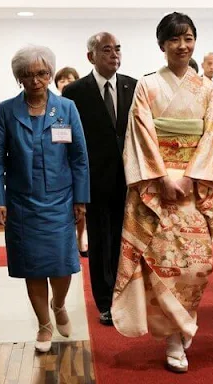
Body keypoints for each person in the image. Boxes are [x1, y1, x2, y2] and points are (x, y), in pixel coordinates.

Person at [111, 12, 213, 373]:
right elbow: (139, 134)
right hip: (156, 189)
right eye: (174, 40)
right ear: (162, 45)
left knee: (198, 265)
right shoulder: (147, 85)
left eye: (188, 38)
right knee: (162, 264)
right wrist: (162, 177)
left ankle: (182, 326)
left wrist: (189, 176)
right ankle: (175, 340)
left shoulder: (206, 88)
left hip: (194, 188)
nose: (182, 46)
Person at [0, 45, 90, 352]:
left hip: (60, 200)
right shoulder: (7, 110)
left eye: (42, 73)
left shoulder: (67, 108)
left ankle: (59, 305)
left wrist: (80, 199)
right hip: (22, 202)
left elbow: (79, 156)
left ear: (50, 74)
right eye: (28, 75)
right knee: (32, 265)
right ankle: (44, 325)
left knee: (60, 265)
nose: (36, 81)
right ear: (19, 77)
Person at [62, 32, 136, 326]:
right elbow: (66, 140)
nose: (114, 55)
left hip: (129, 178)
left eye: (117, 49)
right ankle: (104, 301)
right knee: (101, 243)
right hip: (93, 180)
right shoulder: (75, 92)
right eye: (106, 50)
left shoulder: (134, 86)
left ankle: (124, 295)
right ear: (90, 56)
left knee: (125, 240)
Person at [55, 66, 88, 259]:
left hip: (78, 161)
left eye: (70, 79)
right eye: (62, 80)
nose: (66, 83)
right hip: (59, 163)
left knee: (81, 203)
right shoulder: (53, 106)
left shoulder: (82, 105)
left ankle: (81, 237)